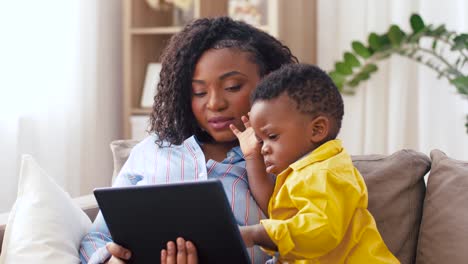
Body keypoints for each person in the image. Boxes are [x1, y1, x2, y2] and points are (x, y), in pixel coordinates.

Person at [79, 16, 297, 264]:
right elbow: (96, 237)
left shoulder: (284, 157)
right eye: (199, 92)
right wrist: (111, 260)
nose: (214, 103)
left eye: (233, 86)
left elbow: (307, 240)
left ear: (269, 82)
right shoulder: (152, 150)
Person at [227, 63, 399, 263]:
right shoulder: (302, 171)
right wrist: (252, 157)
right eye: (260, 140)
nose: (263, 148)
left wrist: (257, 234)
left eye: (272, 136)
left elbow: (320, 230)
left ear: (317, 129)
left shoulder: (326, 173)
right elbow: (271, 203)